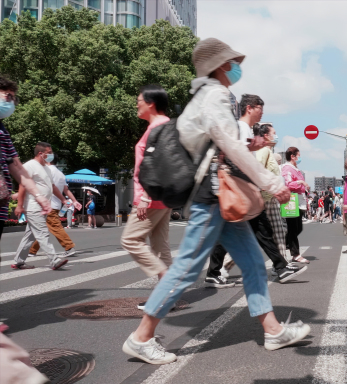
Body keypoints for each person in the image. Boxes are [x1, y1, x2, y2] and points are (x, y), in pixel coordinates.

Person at [122, 38, 310, 365]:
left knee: (251, 261)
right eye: (231, 62)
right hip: (210, 196)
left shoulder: (207, 95)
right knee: (187, 267)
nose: (236, 67)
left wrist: (246, 146)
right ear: (219, 66)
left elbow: (225, 144)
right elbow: (229, 146)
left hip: (217, 196)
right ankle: (141, 337)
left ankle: (273, 330)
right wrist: (271, 181)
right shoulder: (217, 94)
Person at [120, 85, 177, 305]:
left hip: (151, 197)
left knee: (130, 240)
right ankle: (167, 296)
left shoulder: (159, 127)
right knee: (160, 246)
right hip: (162, 197)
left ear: (151, 103)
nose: (137, 104)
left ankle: (164, 278)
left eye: (139, 100)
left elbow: (161, 165)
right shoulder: (164, 126)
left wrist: (144, 196)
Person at [0, 76, 52, 240]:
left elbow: (16, 166)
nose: (10, 102)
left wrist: (39, 196)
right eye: (7, 96)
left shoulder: (3, 131)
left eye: (13, 98)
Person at [253, 123, 306, 281]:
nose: (276, 136)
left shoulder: (268, 151)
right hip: (265, 198)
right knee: (262, 234)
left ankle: (282, 265)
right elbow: (257, 170)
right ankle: (281, 266)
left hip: (271, 198)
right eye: (274, 133)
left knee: (278, 231)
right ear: (266, 136)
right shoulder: (263, 151)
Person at [11, 142, 69, 271]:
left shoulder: (47, 168)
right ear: (40, 153)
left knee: (30, 236)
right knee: (42, 233)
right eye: (49, 153)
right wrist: (19, 205)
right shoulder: (29, 166)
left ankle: (18, 261)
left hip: (42, 207)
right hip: (33, 206)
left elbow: (52, 187)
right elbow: (23, 185)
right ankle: (54, 260)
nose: (51, 155)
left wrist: (63, 200)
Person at [23, 155, 82, 257]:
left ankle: (69, 246)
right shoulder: (60, 174)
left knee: (54, 227)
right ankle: (32, 250)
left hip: (46, 204)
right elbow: (66, 190)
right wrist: (74, 200)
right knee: (40, 228)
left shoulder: (45, 170)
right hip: (55, 205)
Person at [281, 146, 311, 264]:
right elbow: (288, 184)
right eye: (298, 155)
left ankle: (284, 243)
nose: (299, 157)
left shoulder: (295, 168)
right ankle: (295, 254)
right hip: (291, 200)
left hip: (298, 200)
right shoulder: (287, 168)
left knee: (297, 227)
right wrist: (301, 182)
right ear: (292, 156)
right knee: (293, 228)